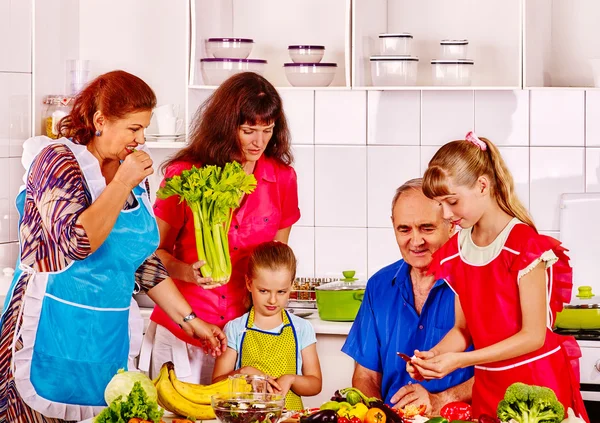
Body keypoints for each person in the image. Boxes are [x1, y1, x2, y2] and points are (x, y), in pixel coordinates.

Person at [0, 70, 226, 423]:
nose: (140, 139)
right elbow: (77, 242)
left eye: (144, 129)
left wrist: (191, 320)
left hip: (105, 338)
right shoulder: (57, 162)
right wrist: (121, 181)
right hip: (50, 327)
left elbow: (140, 262)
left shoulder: (132, 176)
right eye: (133, 129)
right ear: (100, 120)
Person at [410, 131, 588, 421]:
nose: (445, 213)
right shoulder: (458, 250)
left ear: (482, 185)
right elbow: (462, 330)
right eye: (439, 204)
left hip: (536, 385)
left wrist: (460, 360)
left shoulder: (525, 246)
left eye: (451, 201)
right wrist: (435, 357)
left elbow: (533, 336)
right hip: (490, 385)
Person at [143, 72, 300, 384]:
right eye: (248, 130)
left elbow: (276, 259)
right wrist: (188, 272)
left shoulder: (282, 178)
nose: (259, 141)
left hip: (241, 336)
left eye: (267, 130)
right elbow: (151, 256)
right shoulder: (185, 173)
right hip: (181, 329)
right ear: (227, 127)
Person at [341, 178, 473, 415]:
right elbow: (365, 376)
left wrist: (439, 400)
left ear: (451, 225)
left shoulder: (476, 282)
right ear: (393, 226)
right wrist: (382, 416)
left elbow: (502, 371)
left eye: (427, 228)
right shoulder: (379, 286)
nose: (416, 241)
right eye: (404, 229)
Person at [212, 241, 322, 410]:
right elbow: (216, 383)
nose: (272, 300)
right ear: (249, 284)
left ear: (292, 285)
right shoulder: (235, 328)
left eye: (281, 292)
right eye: (264, 291)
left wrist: (291, 379)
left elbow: (315, 384)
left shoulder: (301, 329)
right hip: (246, 419)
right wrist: (241, 373)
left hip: (289, 419)